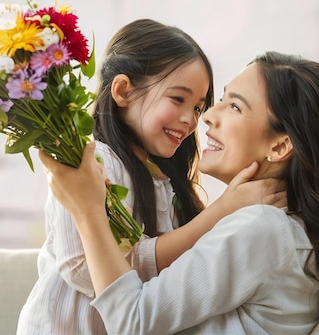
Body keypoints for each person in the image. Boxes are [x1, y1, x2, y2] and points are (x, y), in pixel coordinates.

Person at [39, 51, 319, 334]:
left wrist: (88, 211)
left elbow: (132, 322)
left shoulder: (262, 228)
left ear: (280, 145)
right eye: (218, 101)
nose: (204, 118)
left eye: (234, 106)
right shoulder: (275, 226)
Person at [17, 19, 285, 334]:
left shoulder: (163, 180)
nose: (192, 120)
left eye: (198, 107)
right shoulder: (90, 164)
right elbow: (83, 269)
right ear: (123, 91)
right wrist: (223, 209)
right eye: (178, 99)